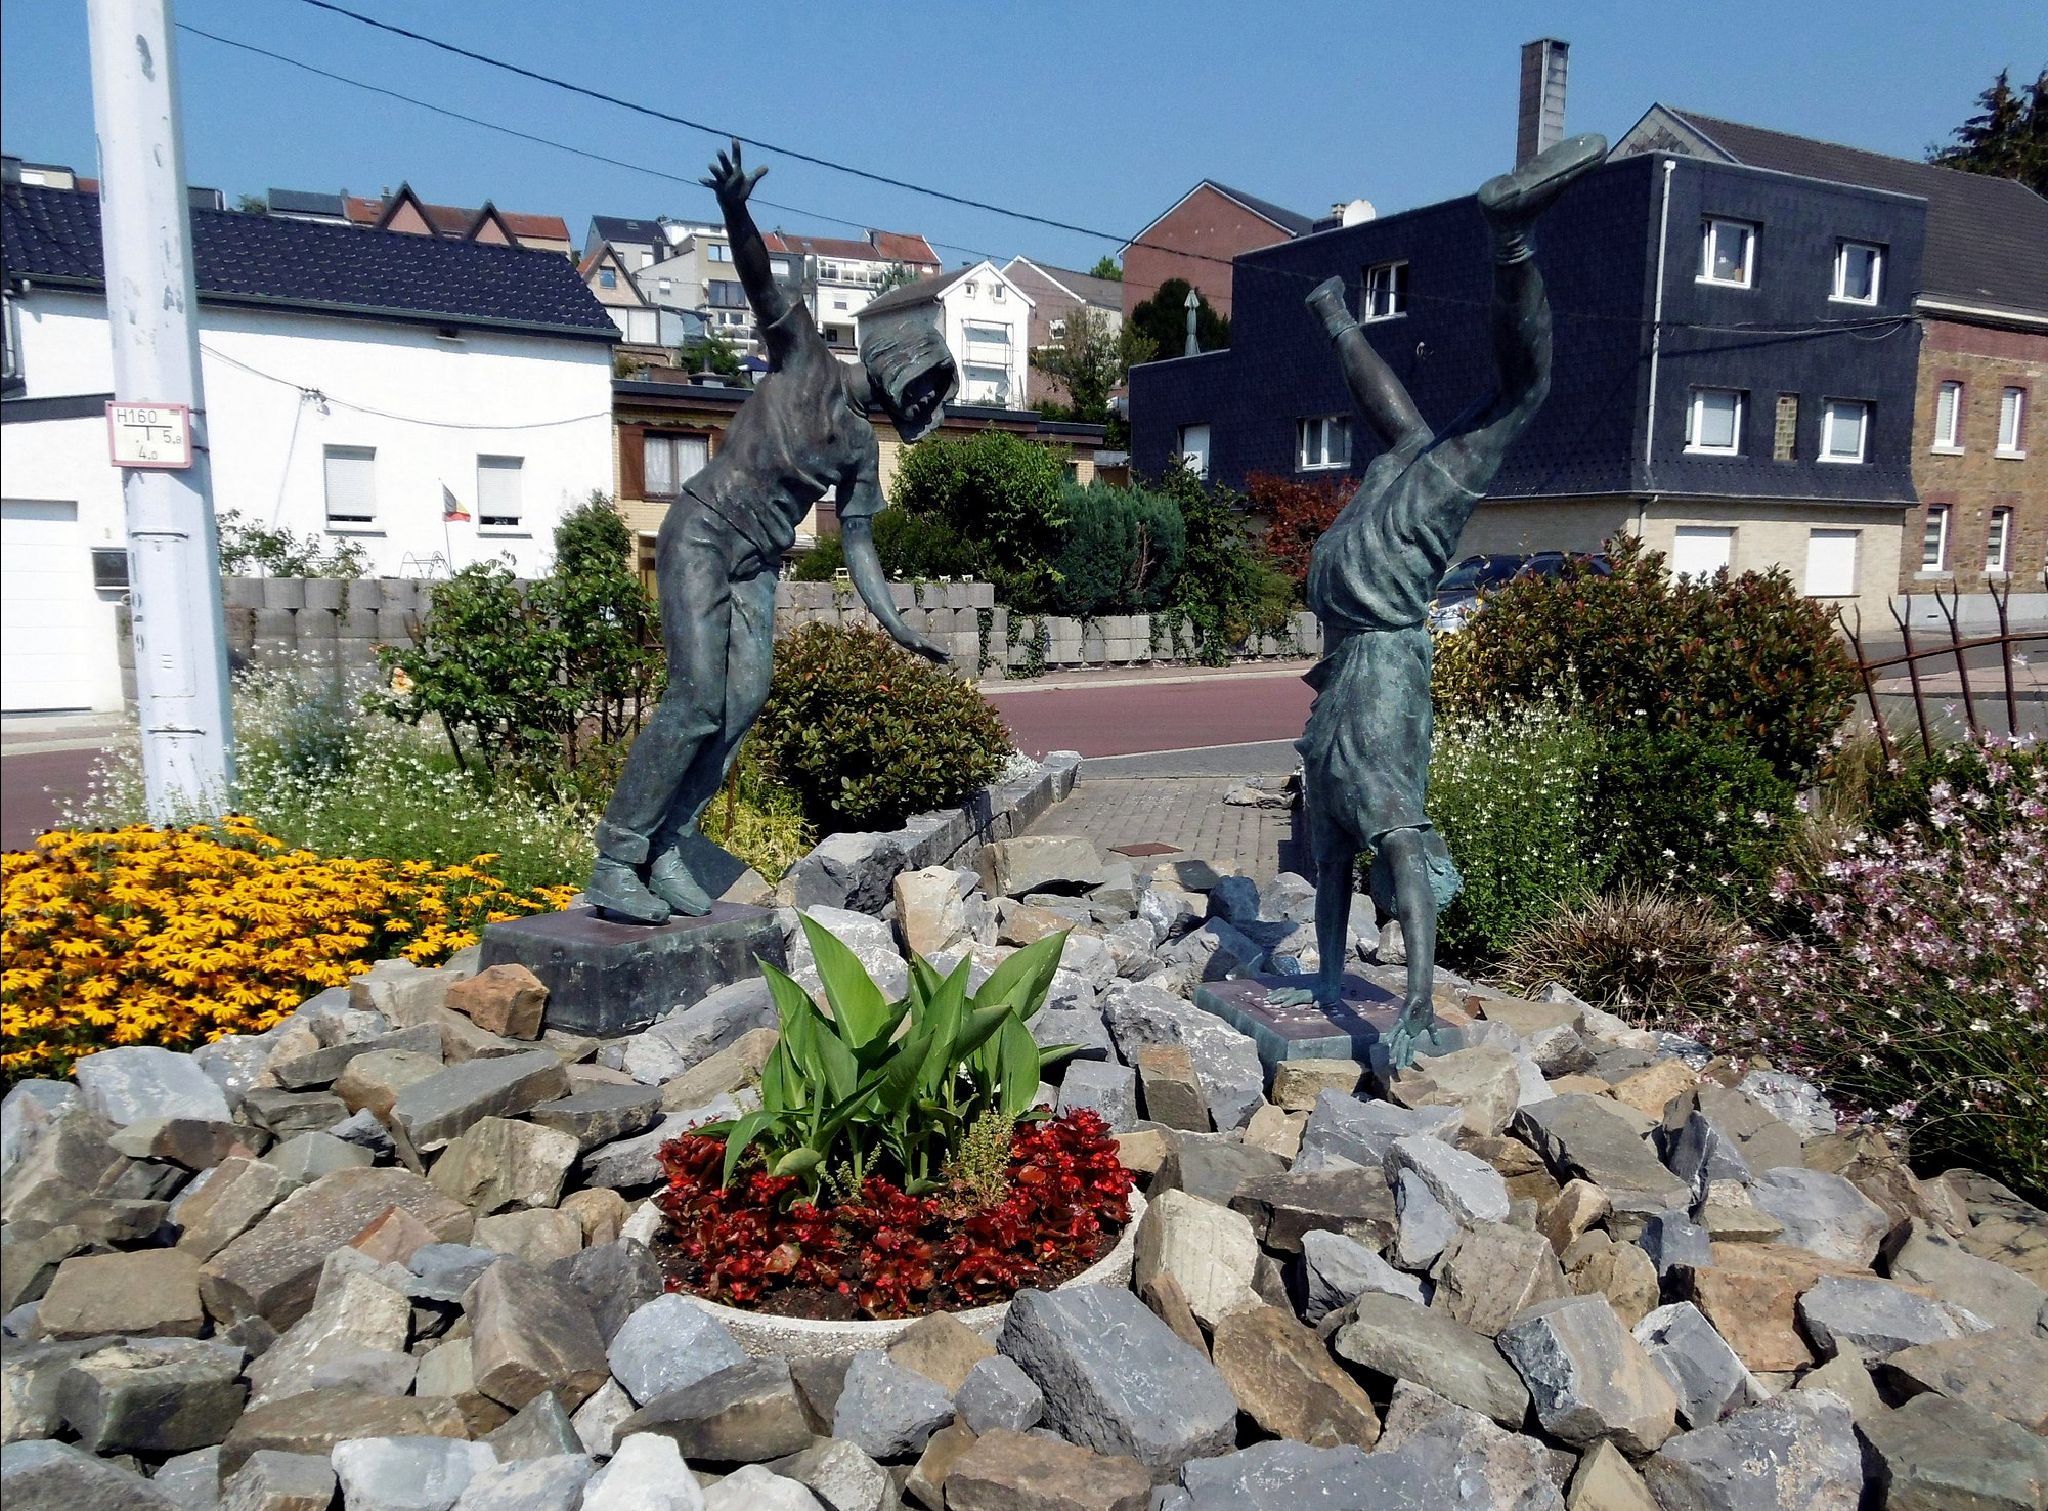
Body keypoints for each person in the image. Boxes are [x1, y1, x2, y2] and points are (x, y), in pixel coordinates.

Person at [1269, 132, 1606, 1069]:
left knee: (1378, 835)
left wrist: (1338, 322)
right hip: (1355, 670)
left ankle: (1408, 999)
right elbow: (1388, 405)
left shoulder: (1423, 480)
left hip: (1375, 662)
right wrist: (1337, 321)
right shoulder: (1403, 463)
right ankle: (1334, 979)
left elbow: (1423, 405)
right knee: (1339, 839)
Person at [590, 141, 960, 923]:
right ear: (899, 361)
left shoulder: (860, 448)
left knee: (741, 700)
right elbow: (760, 280)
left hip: (757, 564)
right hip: (703, 531)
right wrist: (735, 210)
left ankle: (669, 846)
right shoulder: (805, 359)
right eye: (926, 386)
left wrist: (896, 624)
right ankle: (618, 856)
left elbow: (858, 542)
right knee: (696, 696)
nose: (925, 404)